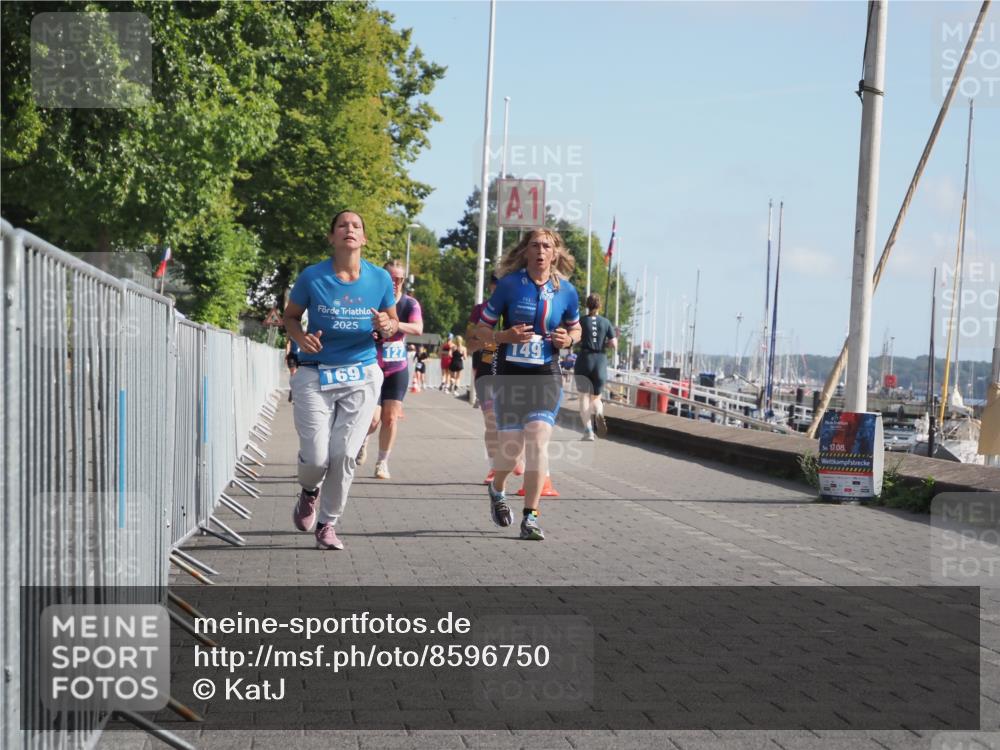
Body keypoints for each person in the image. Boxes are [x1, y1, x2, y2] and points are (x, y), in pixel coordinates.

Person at [284, 210, 399, 550]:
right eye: (342, 225)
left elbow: (392, 323)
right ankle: (308, 491)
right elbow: (290, 317)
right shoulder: (312, 277)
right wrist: (301, 337)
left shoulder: (379, 280)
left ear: (363, 238)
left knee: (345, 454)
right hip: (315, 373)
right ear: (332, 237)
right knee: (318, 458)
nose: (350, 229)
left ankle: (327, 524)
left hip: (361, 374)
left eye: (356, 226)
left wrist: (386, 326)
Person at [475, 228, 581, 541]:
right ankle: (497, 488)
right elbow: (481, 330)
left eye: (546, 246)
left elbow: (575, 331)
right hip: (510, 372)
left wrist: (567, 339)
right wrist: (503, 337)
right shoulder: (509, 286)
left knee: (537, 439)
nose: (540, 250)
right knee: (511, 451)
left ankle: (530, 517)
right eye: (534, 245)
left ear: (555, 253)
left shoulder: (567, 291)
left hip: (546, 373)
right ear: (525, 251)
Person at [358, 260, 423, 480]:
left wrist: (393, 324)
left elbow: (417, 328)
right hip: (372, 366)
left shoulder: (409, 304)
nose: (395, 283)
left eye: (399, 279)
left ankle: (382, 463)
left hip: (397, 368)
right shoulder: (371, 300)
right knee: (373, 419)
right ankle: (362, 440)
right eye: (391, 278)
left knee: (391, 419)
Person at [574, 293, 618, 441]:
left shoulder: (581, 321)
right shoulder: (606, 322)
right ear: (600, 305)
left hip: (584, 359)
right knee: (596, 398)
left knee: (583, 398)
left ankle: (588, 431)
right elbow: (614, 344)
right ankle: (598, 412)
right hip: (600, 360)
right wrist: (604, 343)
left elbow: (574, 339)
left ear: (587, 305)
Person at [284, 335, 300, 403]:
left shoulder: (306, 328)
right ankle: (293, 391)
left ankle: (295, 392)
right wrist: (286, 354)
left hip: (301, 356)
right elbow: (288, 343)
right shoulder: (291, 329)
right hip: (292, 355)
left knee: (300, 375)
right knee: (293, 374)